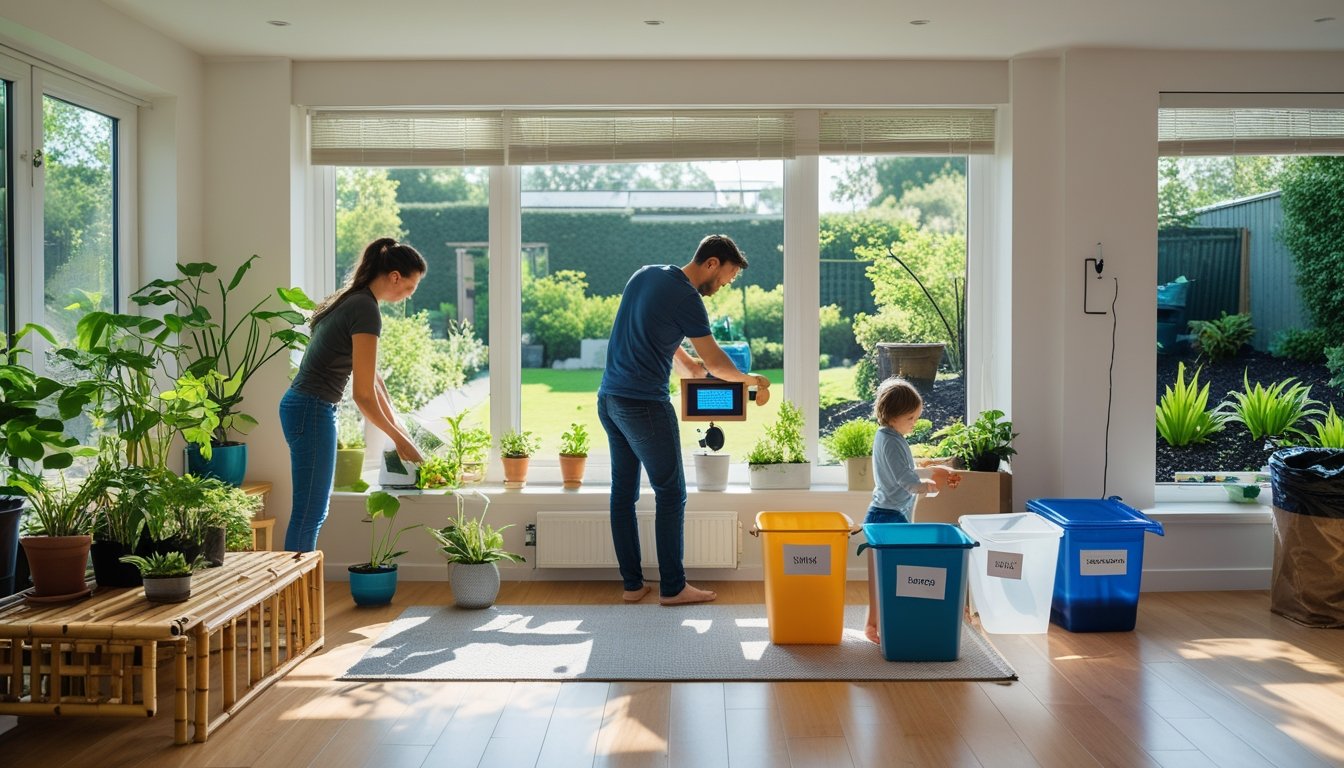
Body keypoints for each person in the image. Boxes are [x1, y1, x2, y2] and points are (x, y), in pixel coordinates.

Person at [599, 234, 772, 606]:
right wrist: (752, 380)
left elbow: (656, 332)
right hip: (644, 403)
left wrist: (688, 367)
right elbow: (717, 363)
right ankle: (673, 587)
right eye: (726, 276)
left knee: (623, 494)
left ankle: (632, 585)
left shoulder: (646, 275)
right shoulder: (688, 297)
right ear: (711, 263)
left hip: (610, 399)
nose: (725, 284)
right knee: (672, 493)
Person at [281, 237, 427, 552]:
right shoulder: (365, 308)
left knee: (310, 513)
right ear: (395, 277)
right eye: (410, 287)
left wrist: (399, 427)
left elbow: (373, 380)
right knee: (310, 514)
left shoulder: (352, 299)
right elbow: (363, 396)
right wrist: (402, 442)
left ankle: (297, 598)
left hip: (303, 406)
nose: (408, 296)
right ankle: (293, 600)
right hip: (312, 409)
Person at [863, 377, 960, 643]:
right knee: (891, 576)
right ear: (893, 415)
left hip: (890, 516)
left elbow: (904, 472)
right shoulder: (891, 441)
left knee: (890, 575)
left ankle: (878, 623)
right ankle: (876, 625)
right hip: (886, 518)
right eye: (911, 418)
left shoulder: (890, 437)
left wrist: (934, 472)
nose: (914, 423)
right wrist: (928, 485)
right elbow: (906, 481)